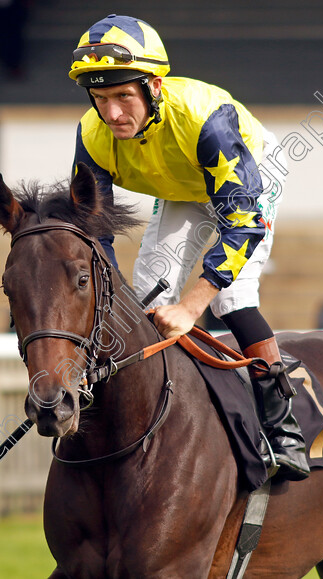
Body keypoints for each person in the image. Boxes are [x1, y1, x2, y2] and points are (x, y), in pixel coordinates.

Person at [68, 14, 308, 480]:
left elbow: (242, 223)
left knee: (233, 295)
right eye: (100, 99)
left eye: (123, 96)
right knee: (146, 295)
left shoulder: (207, 120)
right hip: (181, 187)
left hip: (248, 177)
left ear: (154, 87)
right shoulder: (91, 136)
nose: (112, 114)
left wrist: (193, 306)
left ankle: (283, 427)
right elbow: (94, 229)